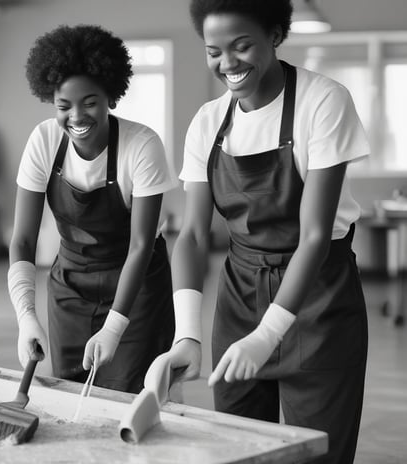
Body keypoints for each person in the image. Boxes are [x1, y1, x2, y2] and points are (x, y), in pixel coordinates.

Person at [158, 1, 370, 462]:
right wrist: (187, 335)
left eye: (242, 46)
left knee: (318, 453)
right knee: (238, 448)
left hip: (318, 300)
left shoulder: (323, 101)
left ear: (275, 36)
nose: (227, 63)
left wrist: (269, 332)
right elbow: (193, 235)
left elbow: (313, 235)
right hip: (239, 298)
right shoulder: (207, 123)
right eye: (214, 51)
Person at [8, 24, 177, 394]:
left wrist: (116, 326)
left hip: (136, 288)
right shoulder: (44, 141)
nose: (77, 117)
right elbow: (22, 239)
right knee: (71, 397)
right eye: (63, 106)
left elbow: (140, 246)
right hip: (69, 287)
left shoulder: (142, 146)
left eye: (90, 102)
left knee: (130, 397)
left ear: (110, 98)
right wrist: (26, 316)